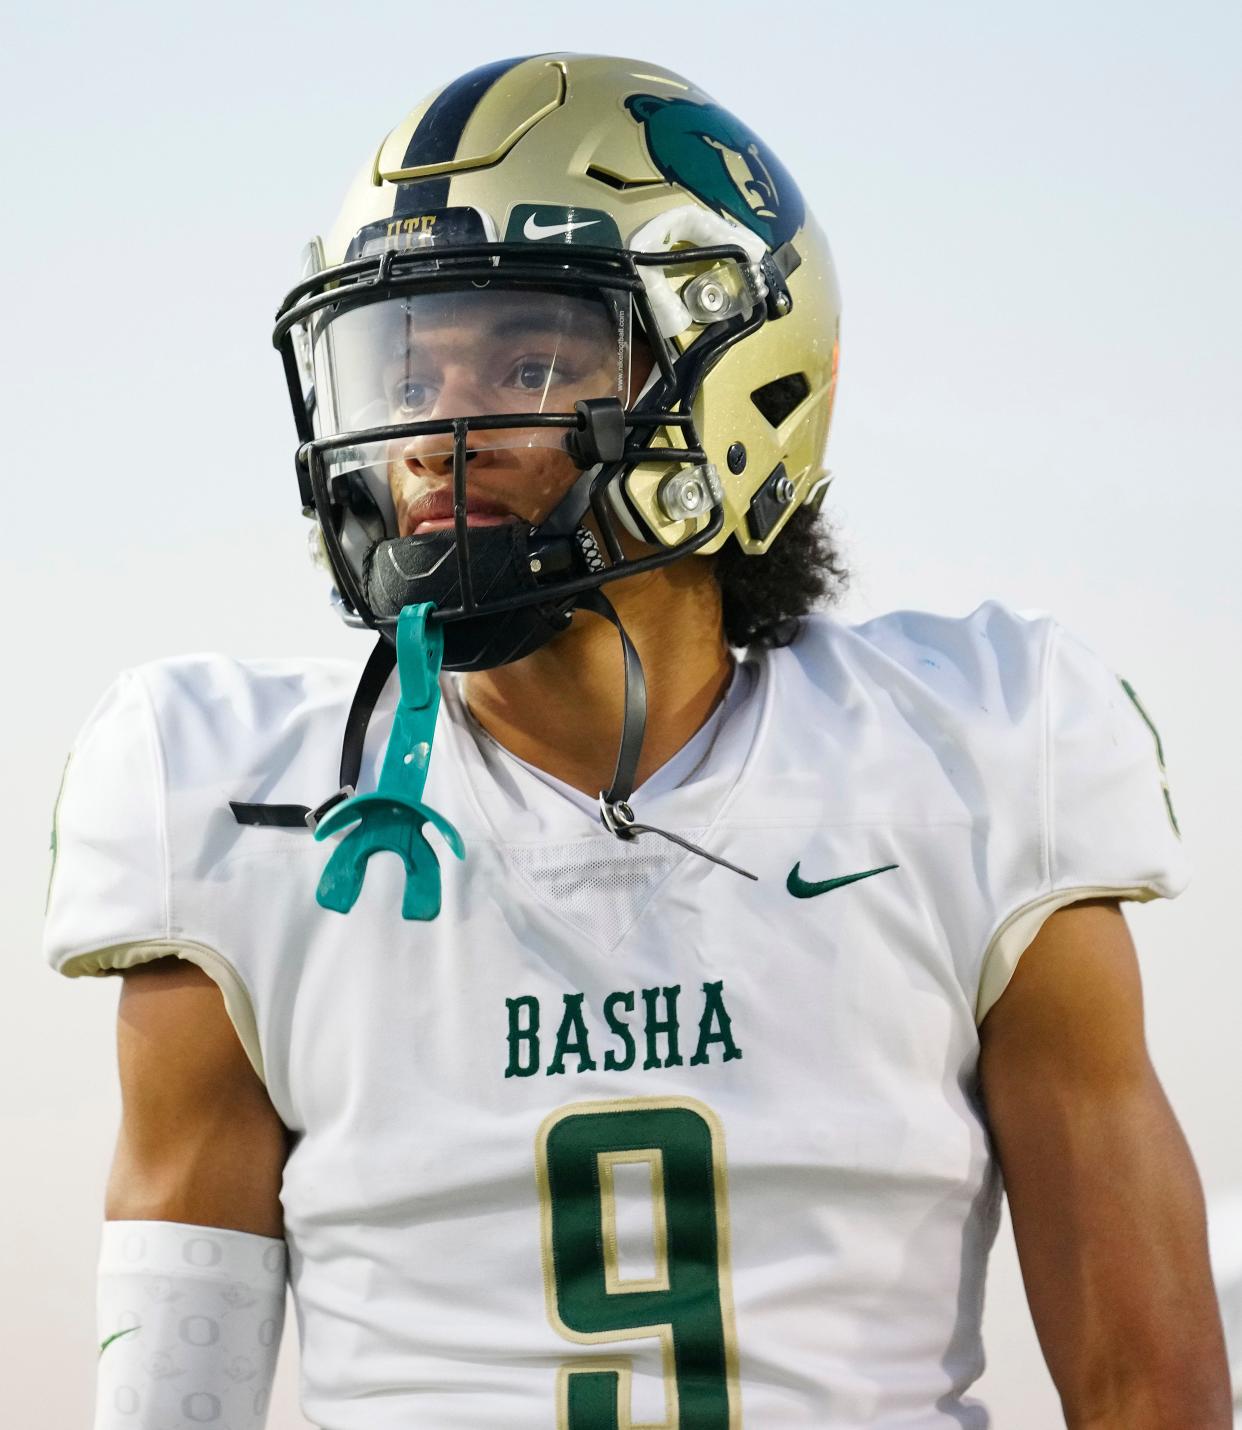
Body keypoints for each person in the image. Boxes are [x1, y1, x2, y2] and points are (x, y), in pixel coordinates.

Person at [44, 52, 1230, 1429]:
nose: (433, 429)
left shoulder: (972, 755)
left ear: (733, 381)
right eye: (403, 366)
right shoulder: (226, 800)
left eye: (526, 357)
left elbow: (1146, 1389)